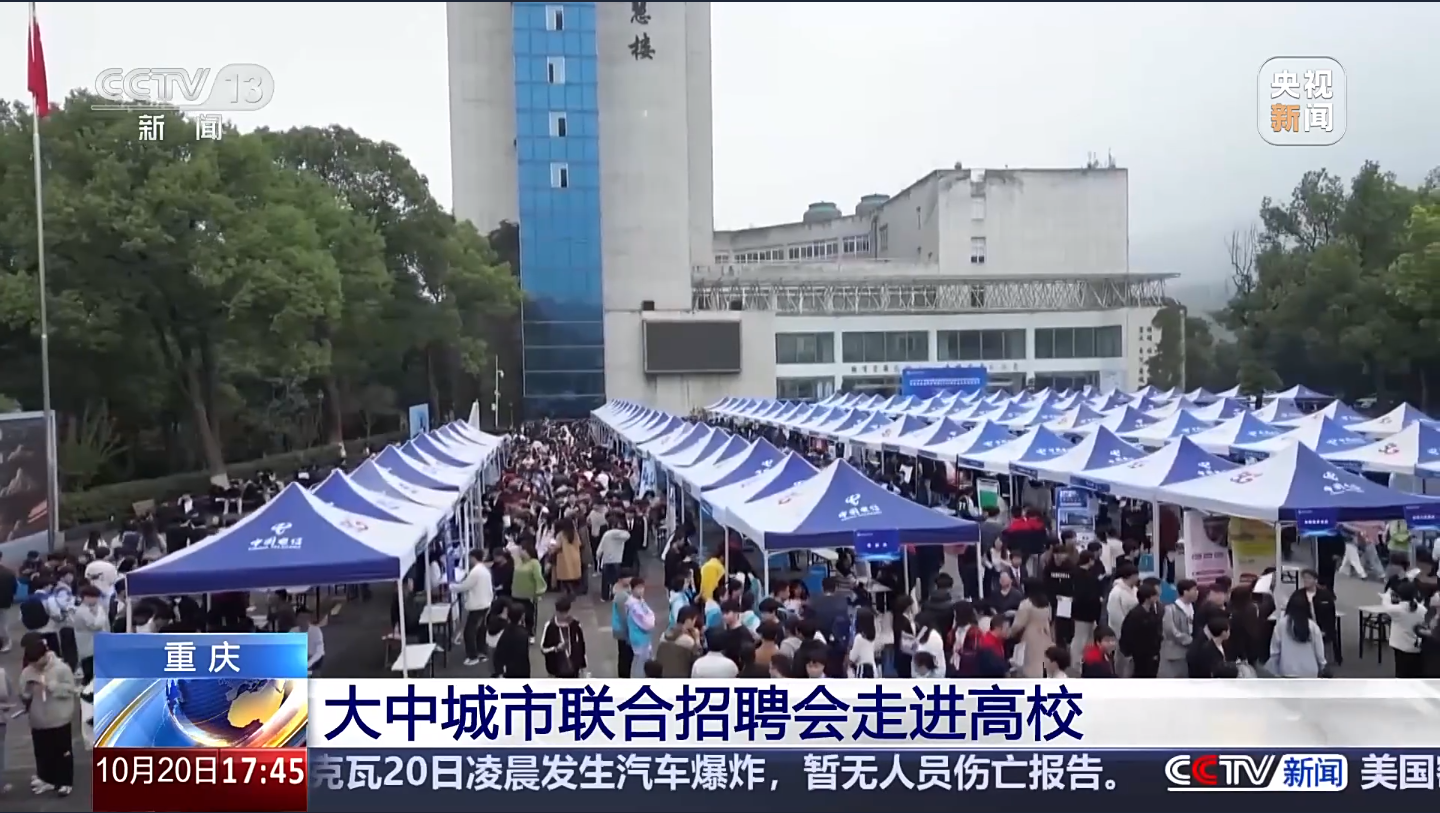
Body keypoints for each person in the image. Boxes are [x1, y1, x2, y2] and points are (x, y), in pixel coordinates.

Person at [20, 639, 76, 796]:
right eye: (32, 663)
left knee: (62, 752)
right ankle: (47, 779)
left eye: (37, 661)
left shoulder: (62, 668)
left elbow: (71, 690)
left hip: (59, 718)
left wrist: (54, 686)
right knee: (42, 752)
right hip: (38, 719)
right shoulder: (27, 672)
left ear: (45, 655)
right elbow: (23, 695)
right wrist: (27, 692)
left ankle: (65, 781)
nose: (35, 666)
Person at [1270, 592, 1327, 678]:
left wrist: (1276, 672)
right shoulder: (1313, 627)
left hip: (1287, 671)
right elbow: (1319, 653)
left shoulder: (1281, 625)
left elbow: (1275, 652)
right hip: (1310, 672)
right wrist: (1322, 667)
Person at [455, 550, 494, 667]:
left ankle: (472, 656)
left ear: (473, 558)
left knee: (469, 631)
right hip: (485, 603)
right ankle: (482, 652)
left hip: (477, 605)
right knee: (481, 629)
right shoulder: (485, 571)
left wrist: (451, 587)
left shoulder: (475, 572)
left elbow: (465, 586)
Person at [1011, 579, 1055, 679]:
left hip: (1029, 637)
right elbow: (1049, 619)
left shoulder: (1026, 604)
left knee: (1030, 665)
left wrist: (1011, 633)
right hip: (1045, 635)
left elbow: (1018, 624)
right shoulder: (1046, 603)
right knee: (1043, 662)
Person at [1121, 583, 1164, 678]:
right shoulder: (1135, 615)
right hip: (1139, 655)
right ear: (1148, 598)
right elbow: (1128, 634)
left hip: (1152, 654)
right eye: (1154, 595)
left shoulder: (1152, 612)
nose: (1157, 598)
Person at [1386, 581, 1427, 678]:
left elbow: (1386, 606)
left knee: (1401, 674)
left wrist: (1387, 595)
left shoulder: (1397, 610)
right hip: (1415, 646)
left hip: (1400, 646)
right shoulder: (1422, 609)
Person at [1159, 579, 1199, 678]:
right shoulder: (1171, 609)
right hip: (1176, 653)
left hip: (1192, 652)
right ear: (1185, 592)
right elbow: (1170, 630)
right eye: (1194, 590)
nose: (1197, 592)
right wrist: (1188, 640)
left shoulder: (1194, 607)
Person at [540, 597, 588, 678]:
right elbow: (543, 649)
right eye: (561, 613)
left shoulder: (575, 625)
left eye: (566, 613)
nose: (564, 616)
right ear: (556, 612)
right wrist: (556, 648)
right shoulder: (550, 626)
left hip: (573, 669)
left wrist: (582, 666)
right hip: (556, 670)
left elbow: (581, 645)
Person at [70, 585, 108, 684]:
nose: (97, 600)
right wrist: (100, 612)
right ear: (86, 597)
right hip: (88, 647)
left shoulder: (90, 609)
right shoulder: (82, 611)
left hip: (94, 645)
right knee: (90, 673)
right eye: (95, 597)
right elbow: (95, 625)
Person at [510, 543, 546, 640]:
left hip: (529, 595)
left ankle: (531, 634)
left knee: (529, 615)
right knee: (516, 615)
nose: (520, 552)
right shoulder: (518, 562)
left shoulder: (534, 563)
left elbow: (538, 578)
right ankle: (518, 633)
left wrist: (538, 592)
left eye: (522, 550)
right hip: (516, 594)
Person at [624, 576, 656, 677]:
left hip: (644, 638)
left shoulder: (640, 601)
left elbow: (650, 614)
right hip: (639, 639)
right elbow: (647, 623)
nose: (641, 590)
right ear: (632, 589)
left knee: (644, 663)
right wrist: (651, 618)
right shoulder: (633, 606)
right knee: (641, 665)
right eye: (638, 588)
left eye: (642, 587)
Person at [656, 605, 701, 678]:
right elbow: (697, 661)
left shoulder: (663, 635)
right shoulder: (688, 641)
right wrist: (697, 640)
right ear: (688, 621)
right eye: (694, 620)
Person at [492, 602, 532, 678]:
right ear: (522, 616)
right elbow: (523, 656)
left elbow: (498, 653)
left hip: (507, 670)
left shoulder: (505, 631)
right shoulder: (523, 634)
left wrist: (499, 671)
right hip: (520, 671)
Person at [552, 518, 584, 596]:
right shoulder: (575, 534)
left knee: (565, 577)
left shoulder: (561, 534)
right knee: (572, 576)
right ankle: (572, 591)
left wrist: (551, 548)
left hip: (564, 558)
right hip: (575, 556)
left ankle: (569, 592)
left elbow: (558, 546)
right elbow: (580, 544)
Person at [848, 608, 880, 678]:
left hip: (863, 670)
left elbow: (852, 658)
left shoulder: (859, 638)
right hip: (873, 670)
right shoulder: (874, 637)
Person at [295, 607, 325, 676]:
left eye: (305, 618)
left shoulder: (316, 631)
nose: (303, 620)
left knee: (314, 675)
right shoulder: (293, 631)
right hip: (300, 658)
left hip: (314, 658)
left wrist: (308, 664)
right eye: (301, 618)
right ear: (296, 619)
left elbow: (319, 652)